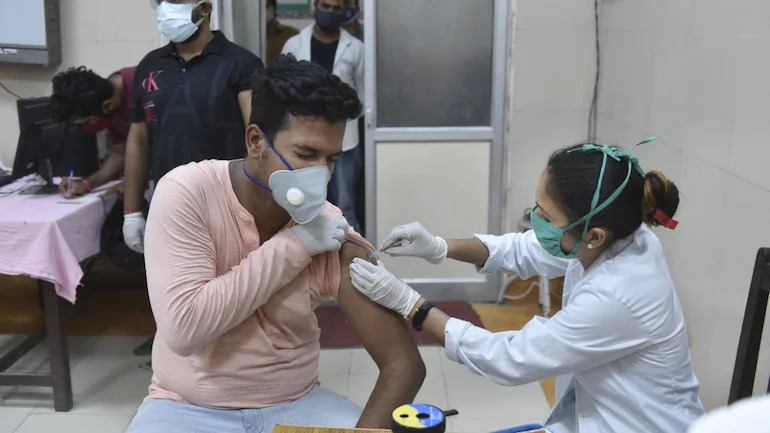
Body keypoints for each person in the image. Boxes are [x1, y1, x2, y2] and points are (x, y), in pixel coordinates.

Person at [124, 54, 425, 433]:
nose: (320, 173)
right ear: (256, 141)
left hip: (298, 402)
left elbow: (404, 363)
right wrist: (295, 245)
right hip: (187, 407)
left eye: (331, 158)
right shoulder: (188, 194)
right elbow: (185, 330)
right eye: (305, 154)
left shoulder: (330, 230)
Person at [349, 138, 706, 432]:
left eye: (546, 216)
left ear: (593, 235)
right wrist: (440, 247)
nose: (535, 221)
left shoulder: (620, 294)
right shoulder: (618, 232)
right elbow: (523, 249)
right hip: (592, 416)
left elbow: (510, 358)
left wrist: (412, 305)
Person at [123, 0, 263, 356]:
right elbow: (138, 140)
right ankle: (176, 361)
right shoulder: (150, 68)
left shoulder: (241, 64)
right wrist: (131, 211)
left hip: (228, 201)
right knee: (176, 293)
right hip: (168, 203)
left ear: (205, 8)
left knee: (231, 291)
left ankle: (237, 361)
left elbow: (259, 136)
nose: (164, 9)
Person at [281, 0, 364, 232]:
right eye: (325, 6)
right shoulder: (294, 44)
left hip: (344, 141)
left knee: (345, 204)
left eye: (336, 9)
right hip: (302, 138)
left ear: (345, 11)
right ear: (315, 5)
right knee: (301, 202)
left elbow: (364, 97)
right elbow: (283, 91)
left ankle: (347, 259)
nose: (329, 12)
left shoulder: (356, 47)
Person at [50, 65, 136, 198]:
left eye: (88, 122)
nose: (86, 128)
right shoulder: (107, 101)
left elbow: (172, 148)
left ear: (107, 105)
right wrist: (87, 184)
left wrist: (135, 183)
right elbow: (120, 153)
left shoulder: (144, 86)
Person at [265, 0, 299, 65]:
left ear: (274, 9)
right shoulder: (250, 37)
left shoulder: (292, 34)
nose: (263, 11)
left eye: (267, 6)